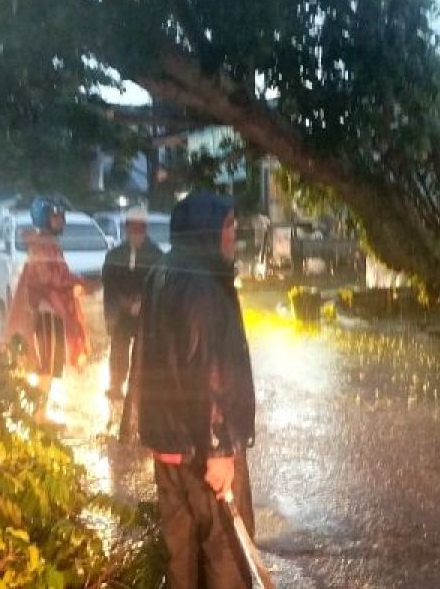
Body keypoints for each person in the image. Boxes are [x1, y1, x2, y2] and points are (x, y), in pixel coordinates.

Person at [129, 191, 257, 589]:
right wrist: (218, 448)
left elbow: (146, 357)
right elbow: (206, 366)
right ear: (208, 230)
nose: (233, 234)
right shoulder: (202, 282)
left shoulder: (163, 270)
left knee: (180, 557)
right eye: (228, 225)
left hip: (168, 447)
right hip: (202, 448)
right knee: (226, 557)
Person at [2, 198, 90, 410]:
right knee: (45, 367)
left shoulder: (48, 245)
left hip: (51, 314)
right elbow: (50, 279)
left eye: (61, 216)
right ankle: (38, 416)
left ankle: (40, 413)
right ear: (45, 219)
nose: (61, 221)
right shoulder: (43, 248)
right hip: (46, 316)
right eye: (56, 217)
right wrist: (79, 283)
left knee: (49, 367)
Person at [101, 206, 162, 403]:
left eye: (140, 228)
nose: (135, 233)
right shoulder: (115, 255)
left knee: (146, 349)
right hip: (121, 313)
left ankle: (144, 387)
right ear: (126, 229)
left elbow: (160, 284)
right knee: (119, 347)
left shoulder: (156, 255)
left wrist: (143, 301)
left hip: (146, 312)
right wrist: (121, 303)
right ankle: (116, 385)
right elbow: (108, 283)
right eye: (132, 228)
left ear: (145, 229)